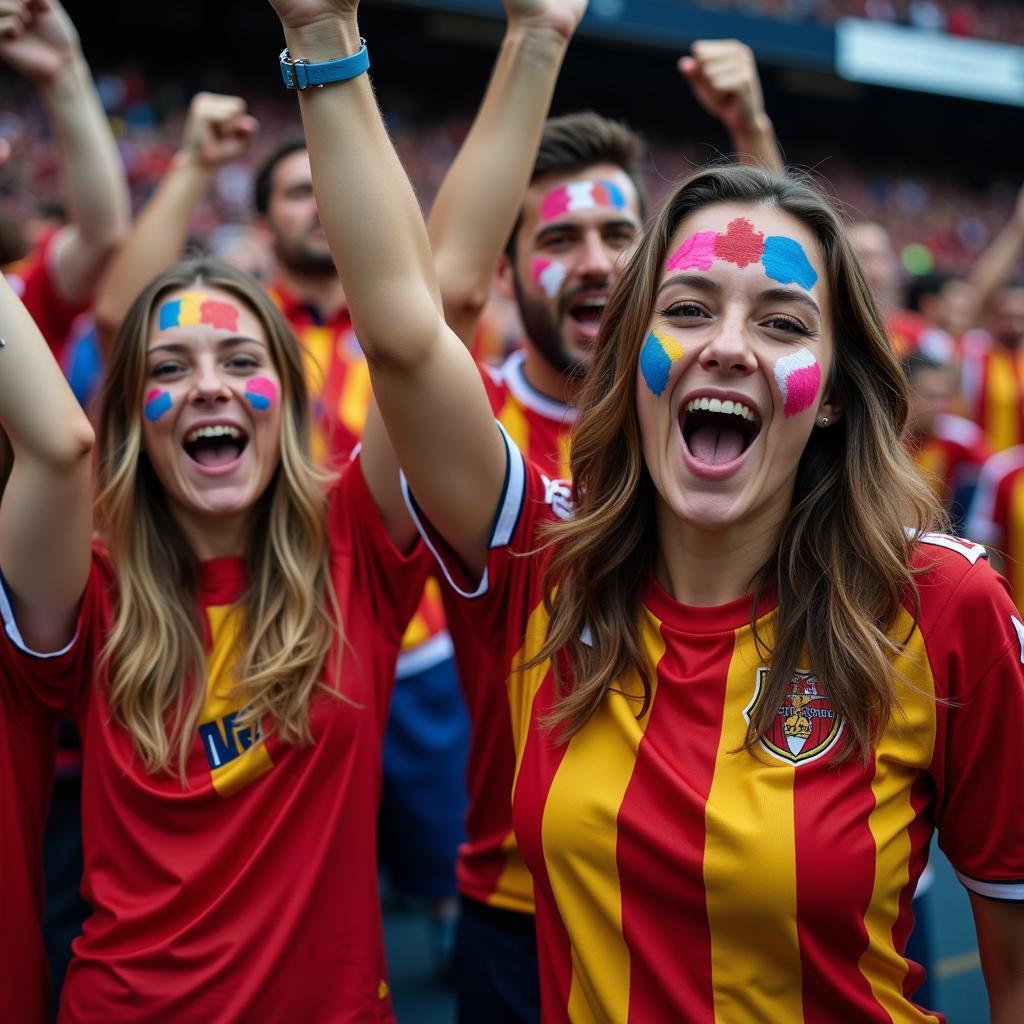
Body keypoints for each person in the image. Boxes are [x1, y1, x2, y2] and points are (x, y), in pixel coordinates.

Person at [267, 1, 1024, 1019]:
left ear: (836, 389)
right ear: (630, 363)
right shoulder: (544, 555)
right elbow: (408, 330)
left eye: (782, 321)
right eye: (687, 308)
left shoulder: (942, 605)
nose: (726, 345)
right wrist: (320, 33)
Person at [423, 3, 782, 1012]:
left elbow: (808, 325)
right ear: (507, 267)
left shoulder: (718, 418)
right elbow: (427, 311)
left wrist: (752, 135)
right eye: (561, 234)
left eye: (620, 232)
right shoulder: (475, 422)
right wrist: (533, 36)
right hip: (517, 898)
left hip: (714, 881)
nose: (595, 259)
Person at [0, 254, 431, 1020]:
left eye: (240, 360)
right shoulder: (87, 589)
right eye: (169, 368)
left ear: (288, 403)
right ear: (133, 418)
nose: (209, 385)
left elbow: (436, 302)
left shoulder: (357, 544)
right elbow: (60, 445)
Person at [903, 352, 989, 530]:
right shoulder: (882, 440)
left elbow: (999, 471)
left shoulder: (957, 435)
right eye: (931, 397)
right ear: (904, 394)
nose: (941, 406)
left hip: (933, 540)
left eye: (945, 397)